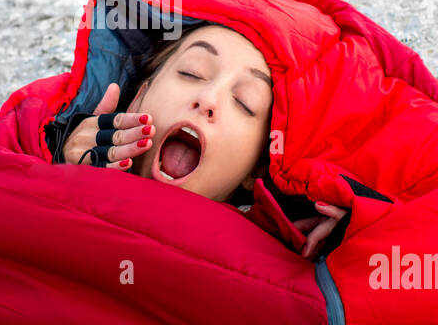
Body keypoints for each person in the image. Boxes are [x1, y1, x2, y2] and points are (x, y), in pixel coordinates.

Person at [61, 21, 346, 259]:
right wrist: (61, 170)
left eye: (245, 102)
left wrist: (344, 248)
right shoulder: (57, 156)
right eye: (192, 73)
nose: (208, 99)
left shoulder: (289, 256)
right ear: (137, 101)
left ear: (257, 167)